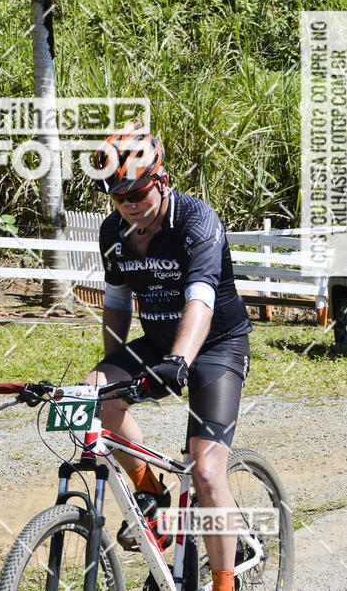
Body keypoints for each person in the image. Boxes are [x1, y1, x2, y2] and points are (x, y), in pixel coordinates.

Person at [86, 123, 252, 591]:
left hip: (217, 345)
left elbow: (201, 298)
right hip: (159, 343)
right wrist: (110, 372)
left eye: (137, 194)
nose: (129, 205)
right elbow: (117, 302)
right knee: (94, 398)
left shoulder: (197, 221)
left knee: (205, 469)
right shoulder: (113, 233)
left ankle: (224, 582)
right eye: (118, 197)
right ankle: (152, 494)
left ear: (160, 180)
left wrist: (180, 360)